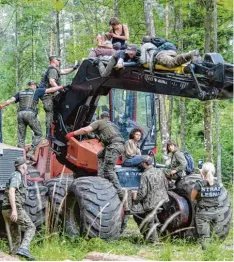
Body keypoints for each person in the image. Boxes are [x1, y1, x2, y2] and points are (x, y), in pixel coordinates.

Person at [0, 80, 67, 160]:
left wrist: (2, 105)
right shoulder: (37, 91)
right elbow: (50, 90)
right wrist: (61, 86)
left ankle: (20, 156)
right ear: (33, 85)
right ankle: (31, 152)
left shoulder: (20, 93)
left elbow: (10, 100)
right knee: (38, 134)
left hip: (20, 114)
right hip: (30, 114)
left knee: (21, 136)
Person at [65, 111, 125, 199]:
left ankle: (120, 193)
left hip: (113, 146)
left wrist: (72, 133)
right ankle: (100, 177)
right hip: (120, 146)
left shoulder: (99, 122)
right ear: (108, 118)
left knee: (109, 170)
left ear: (100, 117)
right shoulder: (112, 125)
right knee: (100, 155)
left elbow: (85, 130)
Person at [2, 157, 36, 260]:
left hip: (5, 209)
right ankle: (24, 248)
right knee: (31, 227)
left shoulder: (16, 175)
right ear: (24, 166)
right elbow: (12, 191)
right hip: (13, 208)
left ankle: (13, 257)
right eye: (26, 165)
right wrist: (15, 210)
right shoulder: (17, 175)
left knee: (15, 235)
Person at [38, 55, 79, 137]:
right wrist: (60, 89)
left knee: (58, 108)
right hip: (47, 95)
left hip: (51, 93)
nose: (59, 61)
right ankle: (49, 133)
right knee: (50, 112)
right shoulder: (52, 70)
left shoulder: (54, 69)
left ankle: (54, 129)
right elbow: (51, 81)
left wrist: (74, 68)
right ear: (53, 60)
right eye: (58, 60)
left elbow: (63, 71)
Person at [132, 156, 169, 243]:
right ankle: (163, 235)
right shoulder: (160, 171)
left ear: (145, 164)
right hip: (163, 199)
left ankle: (154, 241)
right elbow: (166, 186)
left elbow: (142, 192)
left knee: (149, 220)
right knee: (155, 216)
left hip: (151, 202)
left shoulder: (145, 175)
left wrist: (136, 200)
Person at [191, 162, 221, 250]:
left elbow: (192, 198)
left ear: (203, 172)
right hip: (215, 213)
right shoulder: (218, 183)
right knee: (213, 236)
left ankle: (207, 256)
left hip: (203, 214)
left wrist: (202, 178)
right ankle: (214, 254)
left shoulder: (199, 185)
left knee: (205, 238)